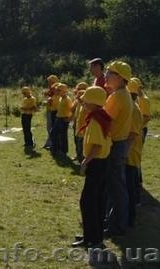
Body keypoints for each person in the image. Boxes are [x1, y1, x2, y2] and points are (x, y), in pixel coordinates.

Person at [71, 86, 112, 249]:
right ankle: (93, 236)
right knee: (97, 200)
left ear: (94, 103)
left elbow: (96, 146)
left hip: (96, 163)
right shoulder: (102, 116)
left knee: (88, 202)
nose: (84, 104)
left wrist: (85, 162)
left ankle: (92, 239)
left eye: (86, 101)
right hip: (103, 163)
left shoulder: (95, 121)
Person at [102, 60, 133, 237]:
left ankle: (117, 226)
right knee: (116, 187)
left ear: (120, 78)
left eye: (110, 72)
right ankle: (114, 222)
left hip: (114, 146)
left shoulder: (117, 96)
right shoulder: (123, 94)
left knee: (115, 188)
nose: (106, 75)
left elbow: (105, 121)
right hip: (119, 145)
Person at [125, 81, 144, 229]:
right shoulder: (131, 107)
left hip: (130, 157)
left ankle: (129, 220)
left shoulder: (134, 110)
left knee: (129, 189)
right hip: (128, 155)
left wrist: (123, 154)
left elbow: (131, 135)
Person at [53, 83, 72, 155]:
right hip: (58, 118)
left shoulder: (67, 99)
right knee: (55, 134)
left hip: (64, 119)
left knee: (63, 136)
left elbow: (71, 110)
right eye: (57, 90)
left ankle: (64, 151)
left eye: (58, 90)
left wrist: (68, 119)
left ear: (63, 91)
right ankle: (57, 149)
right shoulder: (61, 98)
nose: (57, 91)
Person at [43, 74, 60, 150]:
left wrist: (48, 99)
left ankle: (52, 143)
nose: (48, 83)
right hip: (49, 110)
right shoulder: (50, 90)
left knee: (52, 127)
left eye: (50, 81)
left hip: (54, 111)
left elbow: (54, 100)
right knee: (49, 127)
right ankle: (49, 142)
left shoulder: (57, 90)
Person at [72, 90, 86, 162]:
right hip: (77, 126)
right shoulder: (79, 104)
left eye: (80, 97)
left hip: (82, 129)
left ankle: (82, 161)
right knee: (77, 142)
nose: (78, 98)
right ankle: (78, 156)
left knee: (81, 145)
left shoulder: (86, 106)